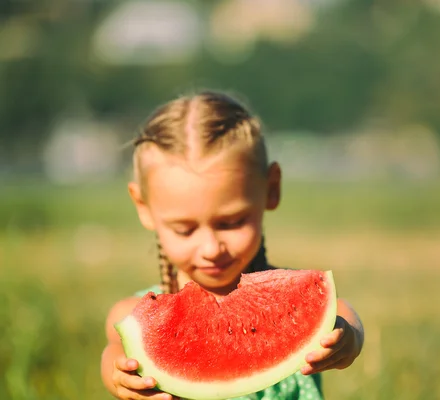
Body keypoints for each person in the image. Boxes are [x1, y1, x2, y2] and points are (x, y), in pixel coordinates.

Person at [100, 91, 365, 400]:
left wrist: (350, 337)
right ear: (143, 207)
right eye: (185, 230)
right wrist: (117, 374)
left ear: (272, 189)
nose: (212, 248)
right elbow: (115, 350)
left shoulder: (293, 298)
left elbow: (343, 314)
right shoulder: (132, 315)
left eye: (232, 222)